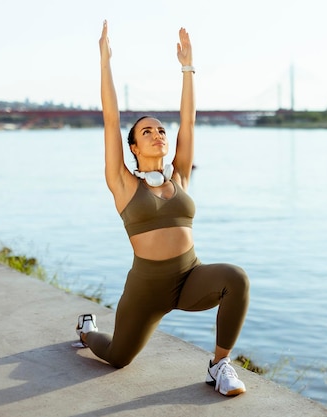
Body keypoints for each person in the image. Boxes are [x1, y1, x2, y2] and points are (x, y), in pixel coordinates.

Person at [74, 20, 250, 397]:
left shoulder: (180, 176)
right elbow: (110, 119)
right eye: (146, 132)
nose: (157, 135)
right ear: (133, 147)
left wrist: (188, 68)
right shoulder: (123, 183)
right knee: (119, 357)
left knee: (235, 278)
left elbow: (188, 120)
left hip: (191, 276)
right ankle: (88, 331)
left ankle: (219, 365)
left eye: (160, 131)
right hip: (147, 287)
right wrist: (105, 62)